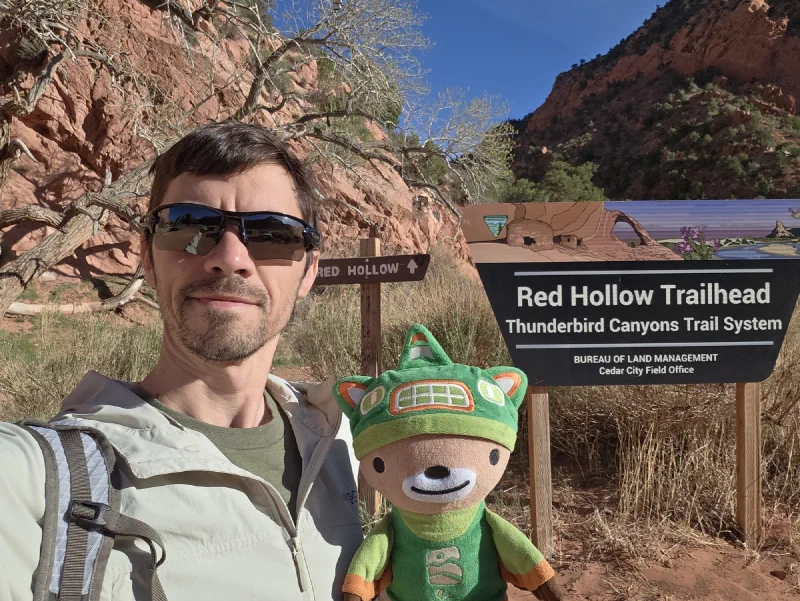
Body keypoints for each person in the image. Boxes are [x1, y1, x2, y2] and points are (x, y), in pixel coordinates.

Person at [0, 122, 364, 601]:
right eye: (189, 225)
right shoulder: (35, 479)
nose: (230, 257)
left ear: (309, 271)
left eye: (272, 233)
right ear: (148, 259)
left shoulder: (343, 438)